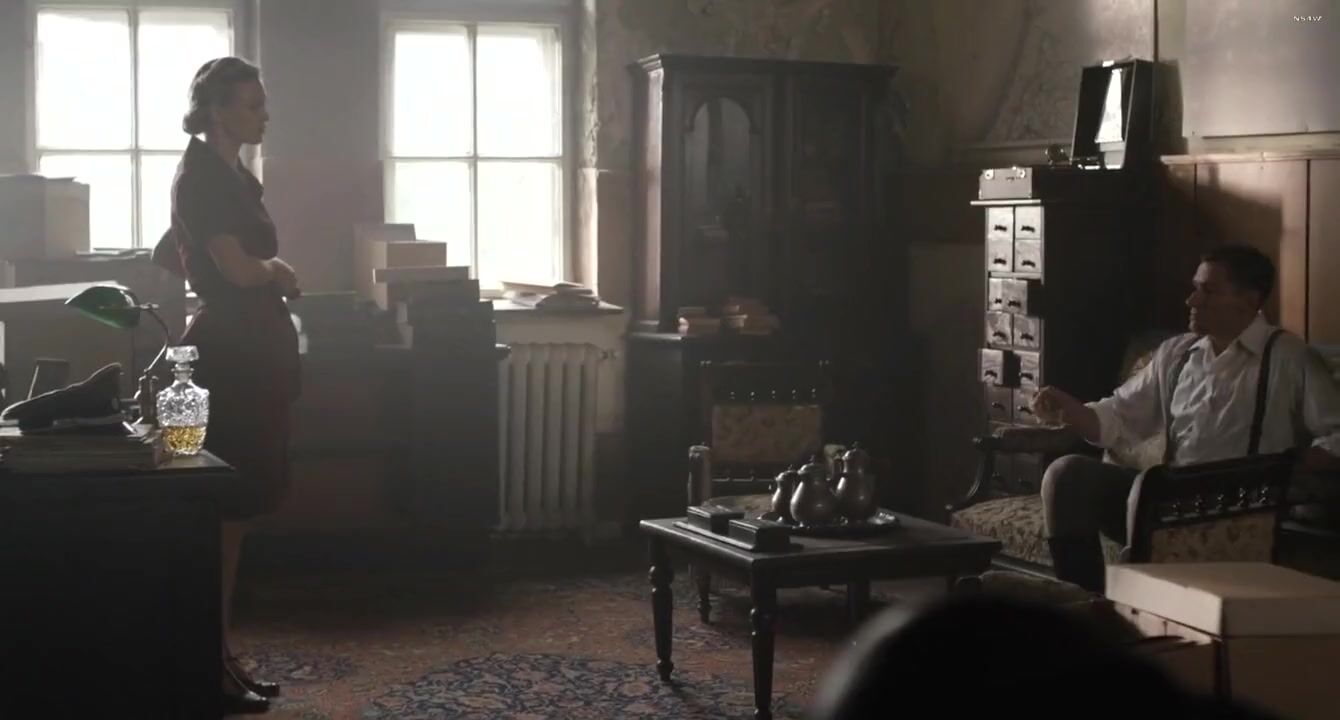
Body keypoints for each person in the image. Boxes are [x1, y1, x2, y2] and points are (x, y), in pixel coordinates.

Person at [1031, 245, 1340, 592]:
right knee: (1066, 475)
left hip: (1239, 508)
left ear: (1249, 300)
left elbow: (1336, 433)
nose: (1192, 300)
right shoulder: (1177, 353)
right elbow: (1118, 416)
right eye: (1195, 288)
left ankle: (1138, 602)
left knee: (1147, 488)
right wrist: (1071, 410)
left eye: (1208, 291)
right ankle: (1084, 599)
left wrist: (1300, 462)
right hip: (1166, 502)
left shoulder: (1288, 357)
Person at [159, 56, 301, 714]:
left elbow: (196, 254)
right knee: (225, 512)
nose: (264, 115)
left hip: (251, 345)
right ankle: (208, 660)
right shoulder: (204, 176)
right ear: (216, 110)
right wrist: (278, 270)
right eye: (252, 104)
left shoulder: (230, 174)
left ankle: (218, 654)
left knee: (236, 515)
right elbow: (239, 270)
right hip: (234, 351)